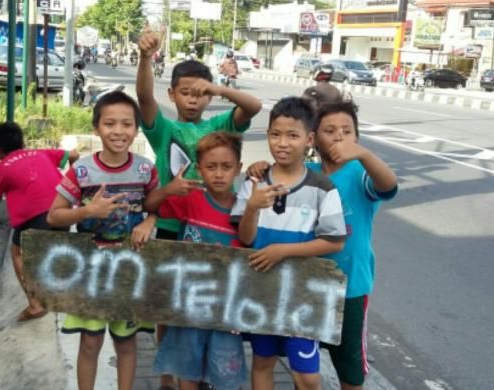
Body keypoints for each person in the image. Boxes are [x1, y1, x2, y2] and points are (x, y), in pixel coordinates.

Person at [137, 26, 262, 390]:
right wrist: (146, 57)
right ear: (172, 94)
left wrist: (220, 88)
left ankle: (202, 373)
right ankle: (167, 374)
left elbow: (253, 106)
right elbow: (144, 97)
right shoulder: (162, 129)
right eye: (186, 93)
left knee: (209, 304)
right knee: (169, 306)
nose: (194, 99)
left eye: (201, 94)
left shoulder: (220, 124)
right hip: (172, 228)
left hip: (214, 229)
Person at [231, 97, 346, 390]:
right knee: (262, 362)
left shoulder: (322, 188)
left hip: (303, 297)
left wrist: (284, 251)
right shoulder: (254, 182)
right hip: (262, 293)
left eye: (292, 136)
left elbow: (334, 242)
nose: (282, 143)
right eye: (275, 134)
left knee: (307, 377)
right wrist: (253, 207)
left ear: (309, 139)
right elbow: (245, 238)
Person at [46, 91, 160, 390]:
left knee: (126, 343)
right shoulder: (82, 170)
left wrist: (150, 220)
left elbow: (156, 207)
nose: (119, 131)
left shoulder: (146, 168)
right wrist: (88, 210)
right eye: (110, 124)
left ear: (137, 129)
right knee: (90, 342)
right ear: (97, 127)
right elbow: (53, 216)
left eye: (127, 124)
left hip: (129, 273)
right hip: (90, 274)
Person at [138, 132, 247, 390]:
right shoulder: (191, 198)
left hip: (226, 312)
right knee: (187, 373)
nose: (219, 174)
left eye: (226, 167)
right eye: (211, 167)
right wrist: (164, 195)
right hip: (187, 307)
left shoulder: (245, 211)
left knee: (225, 375)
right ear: (199, 169)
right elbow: (150, 204)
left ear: (238, 169)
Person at [307, 100, 397, 390]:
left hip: (350, 287)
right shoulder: (304, 171)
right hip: (306, 283)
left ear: (356, 137)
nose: (338, 136)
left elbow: (389, 186)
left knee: (349, 368)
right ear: (313, 137)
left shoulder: (361, 174)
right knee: (303, 363)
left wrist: (365, 155)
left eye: (347, 131)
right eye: (329, 130)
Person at [0, 121, 79, 321]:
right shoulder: (42, 153)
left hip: (36, 218)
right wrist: (74, 183)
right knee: (53, 247)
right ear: (22, 141)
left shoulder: (2, 168)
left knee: (16, 252)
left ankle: (35, 304)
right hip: (62, 210)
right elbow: (74, 155)